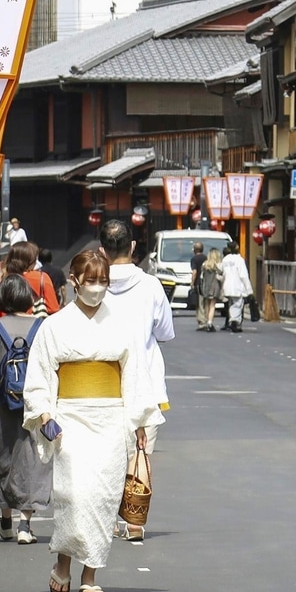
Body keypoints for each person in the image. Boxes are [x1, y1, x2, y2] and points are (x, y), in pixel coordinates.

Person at [24, 250, 163, 592]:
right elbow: (40, 375)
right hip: (69, 417)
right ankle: (63, 563)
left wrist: (141, 421)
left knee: (102, 497)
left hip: (111, 418)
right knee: (73, 495)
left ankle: (90, 572)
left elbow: (134, 376)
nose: (98, 288)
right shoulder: (54, 325)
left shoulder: (122, 324)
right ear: (75, 282)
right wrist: (45, 414)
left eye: (103, 281)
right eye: (91, 281)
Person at [100, 219, 175, 542]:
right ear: (132, 246)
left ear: (102, 250)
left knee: (106, 455)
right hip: (145, 383)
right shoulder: (150, 286)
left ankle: (107, 521)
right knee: (139, 454)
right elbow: (165, 332)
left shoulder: (93, 284)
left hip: (103, 383)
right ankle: (134, 521)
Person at [0, 275, 53, 544]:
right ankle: (25, 526)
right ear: (28, 299)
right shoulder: (43, 327)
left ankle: (5, 521)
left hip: (1, 403)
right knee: (32, 459)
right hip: (35, 403)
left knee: (2, 458)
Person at [0, 241, 61, 318]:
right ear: (31, 261)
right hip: (35, 327)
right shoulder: (42, 278)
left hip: (6, 326)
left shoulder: (5, 278)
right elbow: (53, 309)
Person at [219, 240, 253, 332]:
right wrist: (249, 290)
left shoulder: (225, 259)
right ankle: (235, 321)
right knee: (237, 304)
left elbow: (221, 271)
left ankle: (232, 320)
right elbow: (244, 275)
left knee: (231, 304)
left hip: (227, 286)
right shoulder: (239, 260)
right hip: (237, 286)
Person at [194, 246, 223, 332]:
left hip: (206, 286)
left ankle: (206, 321)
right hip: (215, 287)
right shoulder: (218, 265)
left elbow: (202, 277)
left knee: (206, 304)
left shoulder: (205, 265)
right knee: (212, 305)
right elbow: (220, 276)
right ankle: (210, 322)